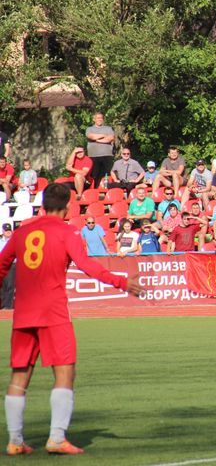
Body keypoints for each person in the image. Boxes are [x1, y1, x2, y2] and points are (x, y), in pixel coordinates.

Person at [0, 183, 142, 455]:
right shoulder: (68, 232)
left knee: (19, 376)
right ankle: (56, 438)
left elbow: (1, 265)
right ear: (67, 208)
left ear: (43, 205)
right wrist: (122, 282)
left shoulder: (21, 232)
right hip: (53, 312)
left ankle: (15, 441)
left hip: (24, 312)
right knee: (65, 372)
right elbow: (87, 266)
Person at [85, 112, 115, 188]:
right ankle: (94, 190)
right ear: (94, 119)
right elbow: (91, 136)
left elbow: (110, 138)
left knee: (108, 175)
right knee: (94, 175)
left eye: (101, 118)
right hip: (93, 156)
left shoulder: (108, 128)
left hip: (107, 155)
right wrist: (104, 135)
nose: (100, 119)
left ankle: (108, 190)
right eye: (98, 118)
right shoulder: (90, 129)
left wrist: (97, 140)